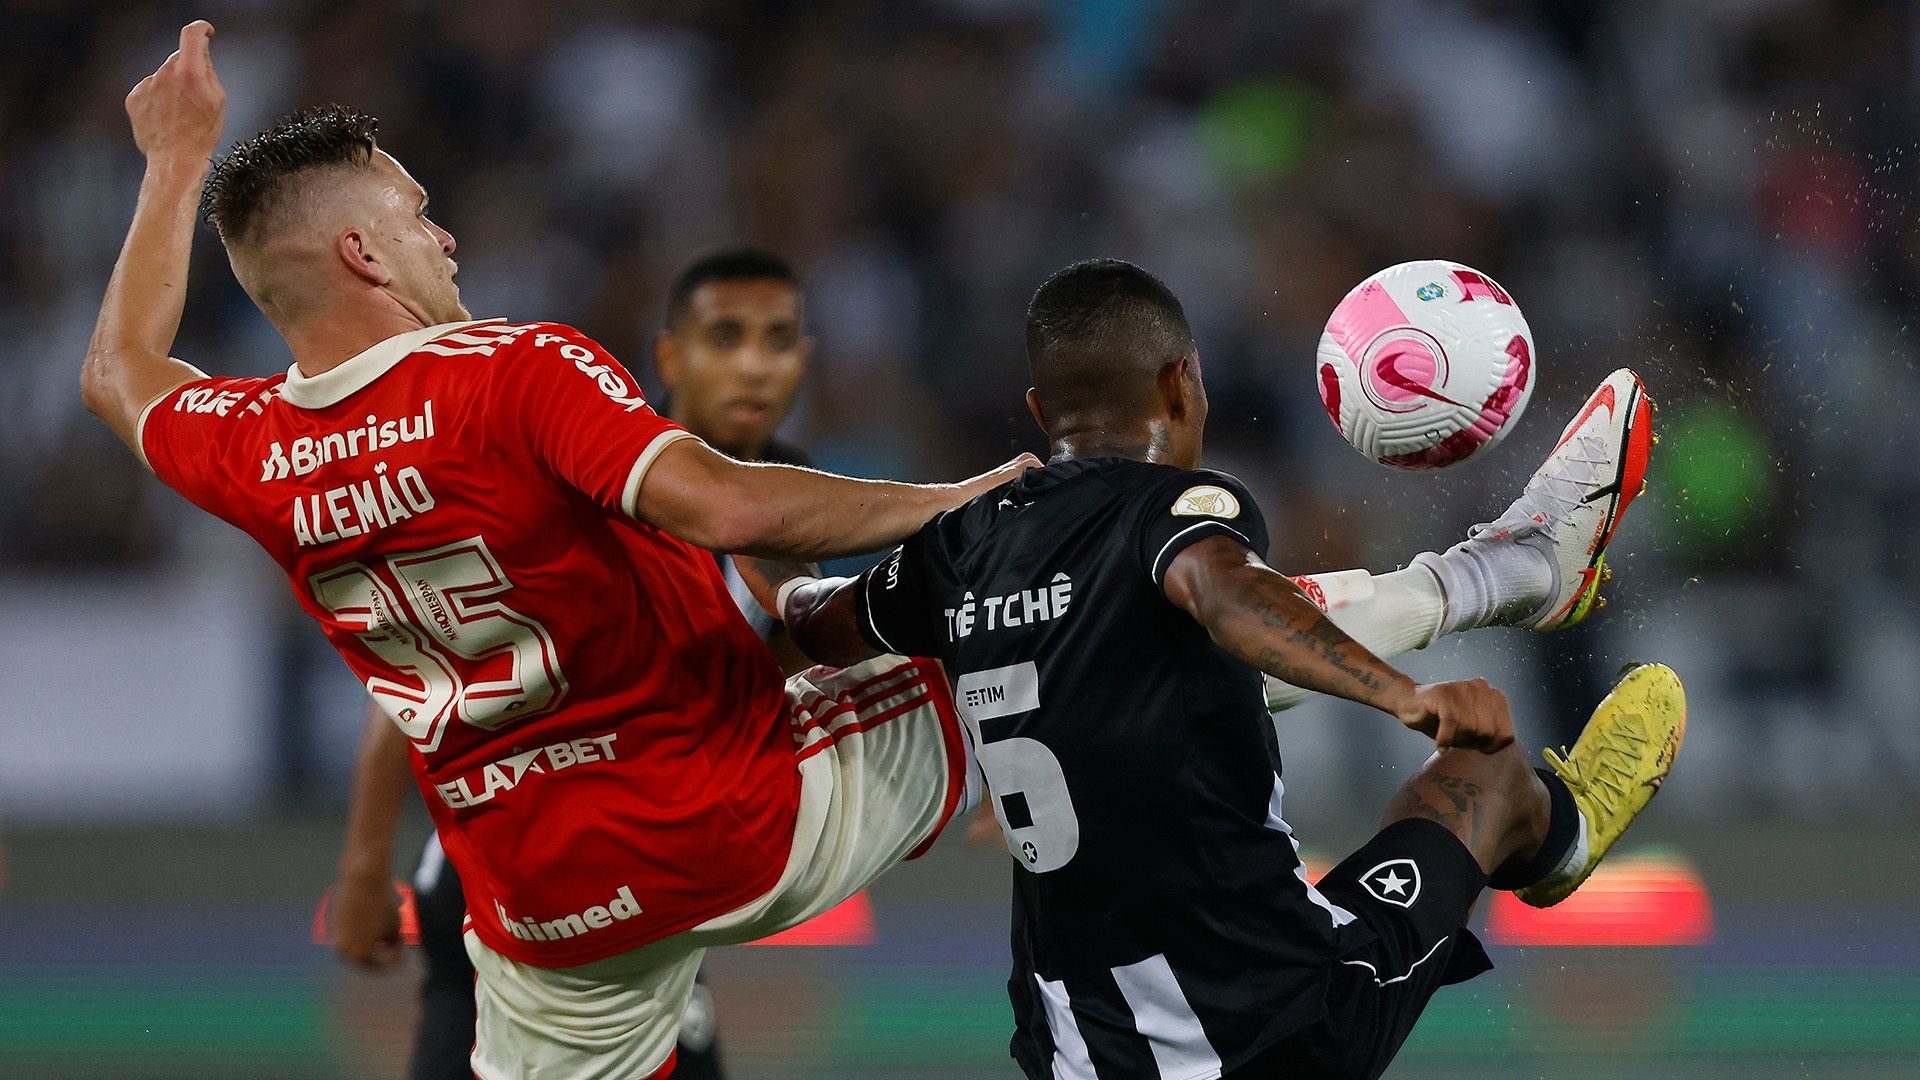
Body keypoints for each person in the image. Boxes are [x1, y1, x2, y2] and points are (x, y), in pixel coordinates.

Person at [84, 25, 1033, 1079]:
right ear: (363, 255)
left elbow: (119, 369)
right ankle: (1243, 668)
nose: (444, 240)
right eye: (417, 215)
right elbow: (721, 507)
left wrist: (172, 164)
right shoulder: (512, 370)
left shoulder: (251, 445)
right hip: (730, 817)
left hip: (544, 907)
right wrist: (951, 501)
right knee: (1015, 595)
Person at [753, 259, 1686, 1079]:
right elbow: (1222, 589)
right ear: (1181, 383)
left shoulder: (956, 550)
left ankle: (1512, 571)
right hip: (1272, 1027)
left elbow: (810, 623)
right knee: (1487, 777)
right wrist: (1402, 695)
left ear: (1041, 414)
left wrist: (750, 552)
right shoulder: (1178, 508)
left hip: (1076, 1052)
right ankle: (1558, 809)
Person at [327, 246, 824, 1080]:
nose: (755, 366)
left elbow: (793, 659)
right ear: (669, 356)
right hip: (499, 889)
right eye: (726, 337)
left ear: (804, 360)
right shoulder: (586, 460)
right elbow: (434, 665)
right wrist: (365, 862)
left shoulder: (794, 492)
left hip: (645, 889)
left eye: (778, 341)